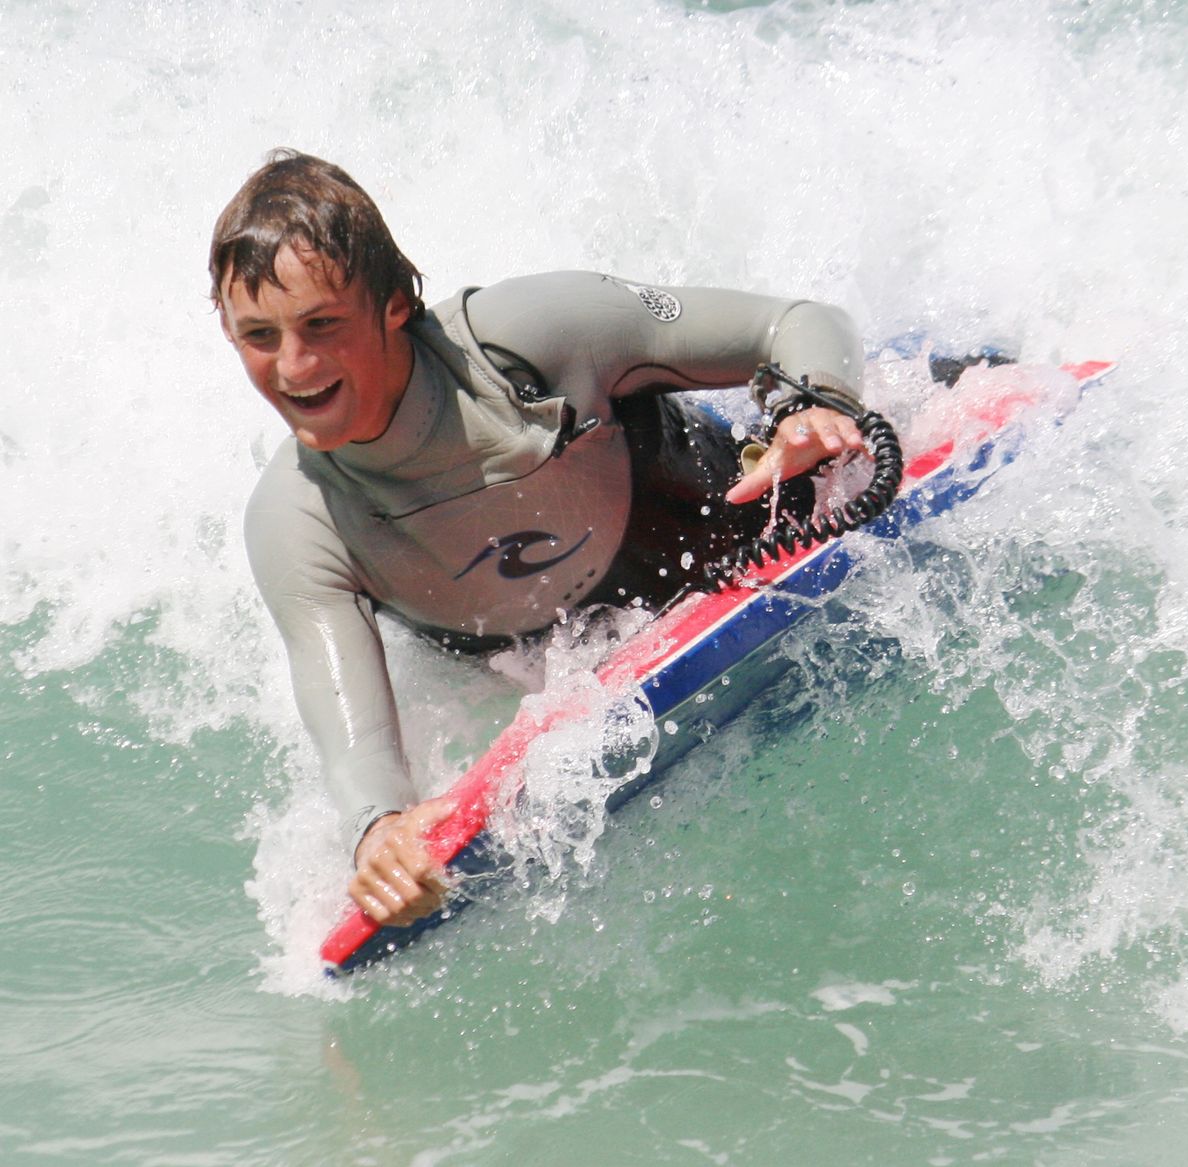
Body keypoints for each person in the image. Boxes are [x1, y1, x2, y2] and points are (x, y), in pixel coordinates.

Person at [210, 149, 867, 929]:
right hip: (569, 662)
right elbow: (356, 744)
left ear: (391, 304)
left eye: (322, 324)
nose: (293, 366)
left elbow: (793, 323)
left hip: (736, 524)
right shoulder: (297, 521)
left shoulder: (533, 340)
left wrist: (815, 405)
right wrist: (379, 828)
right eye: (258, 335)